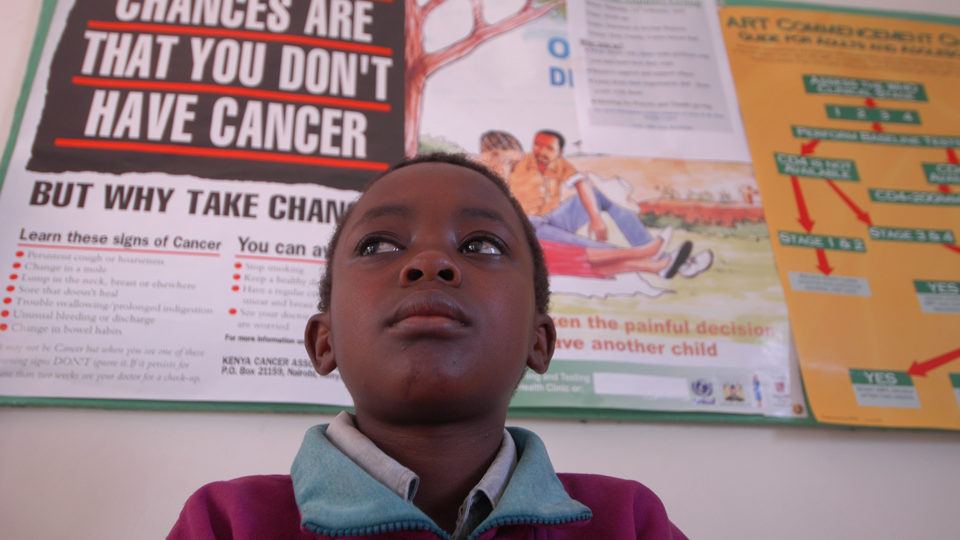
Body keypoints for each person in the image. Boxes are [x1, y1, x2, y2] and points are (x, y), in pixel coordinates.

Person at [169, 153, 686, 539]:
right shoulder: (226, 523)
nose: (432, 263)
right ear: (323, 342)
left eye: (482, 245)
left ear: (539, 340)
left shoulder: (630, 522)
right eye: (380, 245)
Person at [485, 129, 710, 279]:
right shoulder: (517, 162)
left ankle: (656, 254)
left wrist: (595, 218)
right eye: (537, 146)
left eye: (548, 148)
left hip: (552, 220)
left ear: (558, 152)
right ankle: (666, 262)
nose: (541, 152)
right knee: (584, 248)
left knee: (597, 195)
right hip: (531, 227)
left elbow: (582, 184)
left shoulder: (559, 164)